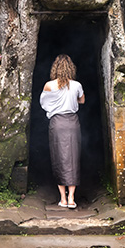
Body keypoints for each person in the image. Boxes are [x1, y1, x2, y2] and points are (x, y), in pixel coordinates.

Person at [39, 54, 85, 209]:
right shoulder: (77, 85)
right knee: (73, 159)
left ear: (55, 69)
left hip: (57, 124)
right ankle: (72, 199)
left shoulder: (49, 85)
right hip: (72, 123)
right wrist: (71, 100)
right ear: (71, 68)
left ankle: (63, 200)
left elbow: (44, 103)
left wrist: (57, 105)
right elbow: (82, 100)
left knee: (58, 159)